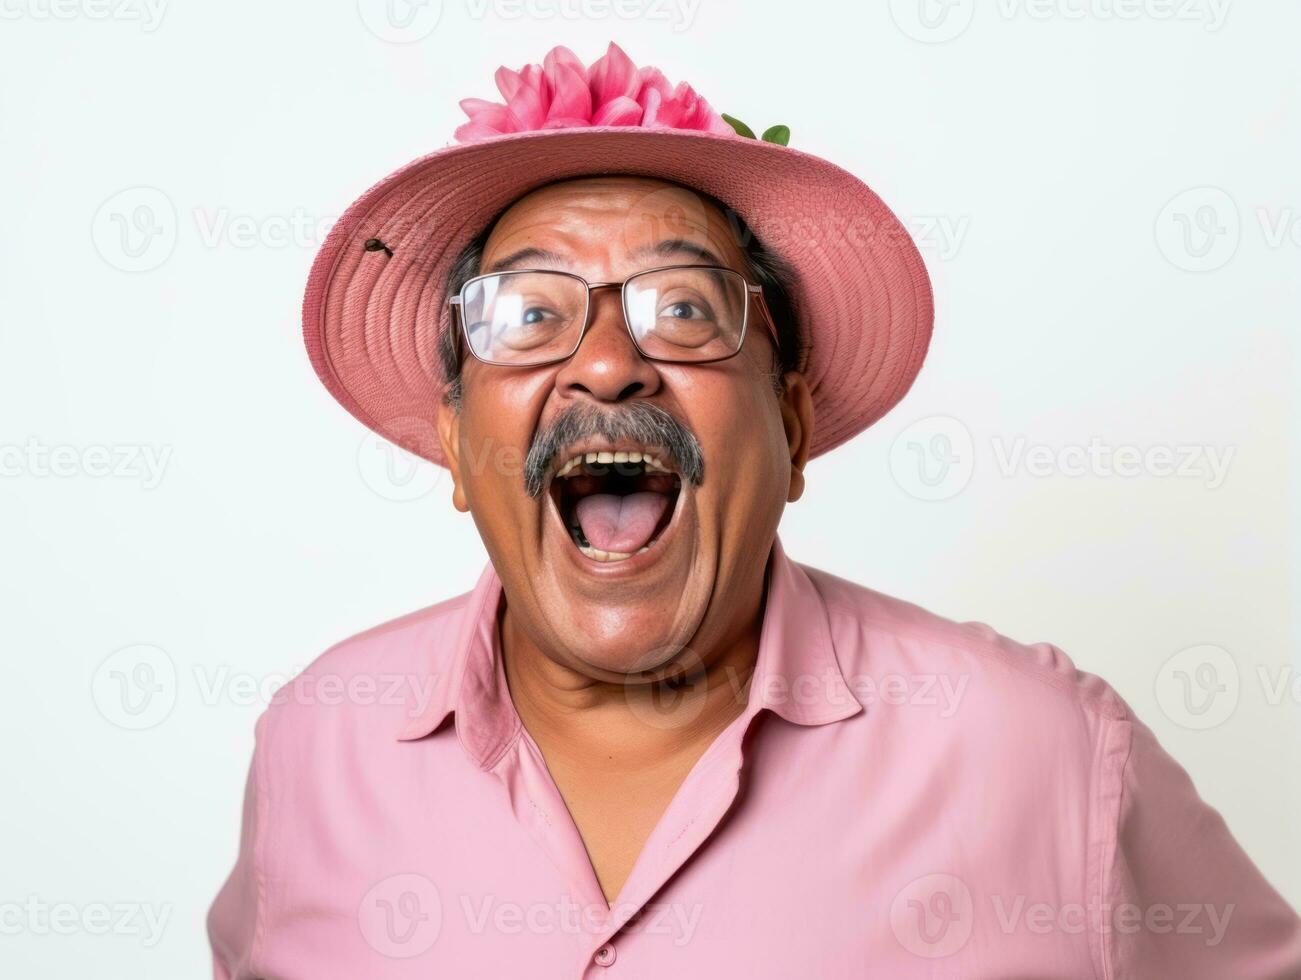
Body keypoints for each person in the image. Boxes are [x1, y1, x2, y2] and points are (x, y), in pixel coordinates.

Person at [209, 42, 1301, 978]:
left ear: (789, 427)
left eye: (683, 307)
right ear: (454, 443)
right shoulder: (316, 746)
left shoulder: (1046, 753)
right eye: (529, 312)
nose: (604, 364)